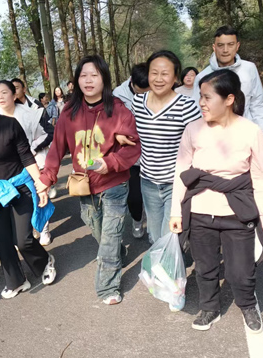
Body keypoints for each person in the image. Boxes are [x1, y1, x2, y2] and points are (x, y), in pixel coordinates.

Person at [170, 69, 263, 333]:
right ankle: (209, 308)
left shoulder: (250, 131)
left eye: (207, 97)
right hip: (200, 211)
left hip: (237, 211)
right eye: (200, 97)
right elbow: (181, 172)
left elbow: (261, 178)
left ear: (229, 99)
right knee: (205, 267)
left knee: (241, 270)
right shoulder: (193, 129)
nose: (201, 103)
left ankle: (248, 305)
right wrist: (176, 212)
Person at [37, 55, 141, 305]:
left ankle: (107, 287)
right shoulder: (69, 111)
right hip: (84, 184)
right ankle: (119, 252)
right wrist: (47, 178)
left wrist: (110, 162)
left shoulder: (118, 110)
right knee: (98, 229)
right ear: (77, 80)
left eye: (94, 75)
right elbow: (56, 148)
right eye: (83, 75)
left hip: (114, 183)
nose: (88, 80)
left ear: (104, 78)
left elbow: (133, 146)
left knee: (110, 235)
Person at [0, 80, 56, 299]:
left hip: (19, 187)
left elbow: (26, 156)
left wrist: (41, 186)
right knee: (2, 242)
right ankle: (17, 281)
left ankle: (45, 262)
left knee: (23, 240)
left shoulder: (10, 124)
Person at [132, 50, 201, 244]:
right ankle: (163, 263)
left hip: (175, 183)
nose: (158, 79)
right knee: (155, 237)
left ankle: (168, 264)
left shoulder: (186, 106)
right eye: (154, 73)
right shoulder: (138, 102)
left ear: (175, 77)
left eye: (165, 74)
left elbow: (201, 142)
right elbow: (130, 130)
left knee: (168, 237)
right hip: (148, 181)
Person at [0, 80, 54, 246]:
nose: (1, 97)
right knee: (18, 204)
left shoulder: (31, 114)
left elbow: (47, 134)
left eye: (4, 93)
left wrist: (32, 148)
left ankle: (43, 229)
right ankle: (26, 233)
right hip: (9, 169)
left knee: (39, 196)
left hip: (32, 162)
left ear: (14, 95)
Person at [193, 25, 263, 134]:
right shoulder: (202, 77)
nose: (225, 50)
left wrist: (261, 133)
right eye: (220, 45)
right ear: (214, 47)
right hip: (215, 136)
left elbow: (258, 102)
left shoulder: (249, 68)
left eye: (230, 44)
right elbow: (198, 110)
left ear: (237, 46)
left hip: (246, 133)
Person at [113, 63, 149, 238]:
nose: (143, 96)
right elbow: (110, 123)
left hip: (154, 152)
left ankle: (154, 227)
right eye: (139, 92)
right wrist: (116, 134)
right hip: (132, 155)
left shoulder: (160, 90)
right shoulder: (118, 96)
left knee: (155, 195)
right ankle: (137, 220)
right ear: (131, 82)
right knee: (134, 196)